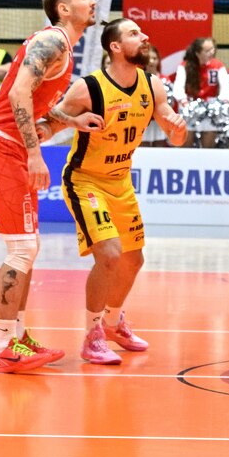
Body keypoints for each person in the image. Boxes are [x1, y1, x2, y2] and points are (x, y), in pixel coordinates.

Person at [0, 0, 104, 374]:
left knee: (28, 246)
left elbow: (38, 103)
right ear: (64, 8)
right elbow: (17, 93)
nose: (92, 1)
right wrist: (33, 153)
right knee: (22, 248)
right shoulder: (53, 40)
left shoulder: (62, 47)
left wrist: (70, 120)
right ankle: (4, 346)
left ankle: (19, 336)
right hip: (0, 146)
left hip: (7, 146)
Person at [45, 18, 187, 365]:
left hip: (120, 181)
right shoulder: (88, 88)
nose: (145, 37)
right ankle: (92, 335)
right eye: (134, 34)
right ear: (115, 47)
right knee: (109, 254)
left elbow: (175, 135)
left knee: (133, 260)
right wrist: (53, 126)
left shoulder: (152, 86)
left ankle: (112, 323)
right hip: (86, 180)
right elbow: (48, 124)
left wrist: (178, 129)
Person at [173, 37, 229, 148]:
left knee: (208, 146)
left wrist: (222, 103)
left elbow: (225, 87)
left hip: (210, 108)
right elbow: (178, 87)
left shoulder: (218, 65)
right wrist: (184, 102)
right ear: (197, 53)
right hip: (190, 107)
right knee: (186, 144)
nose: (211, 52)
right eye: (207, 51)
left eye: (212, 49)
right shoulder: (185, 65)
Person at [139, 46, 175, 147]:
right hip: (144, 121)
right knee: (143, 146)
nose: (151, 61)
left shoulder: (165, 80)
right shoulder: (138, 79)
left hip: (160, 121)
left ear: (158, 60)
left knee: (160, 146)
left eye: (154, 58)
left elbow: (170, 102)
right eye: (148, 58)